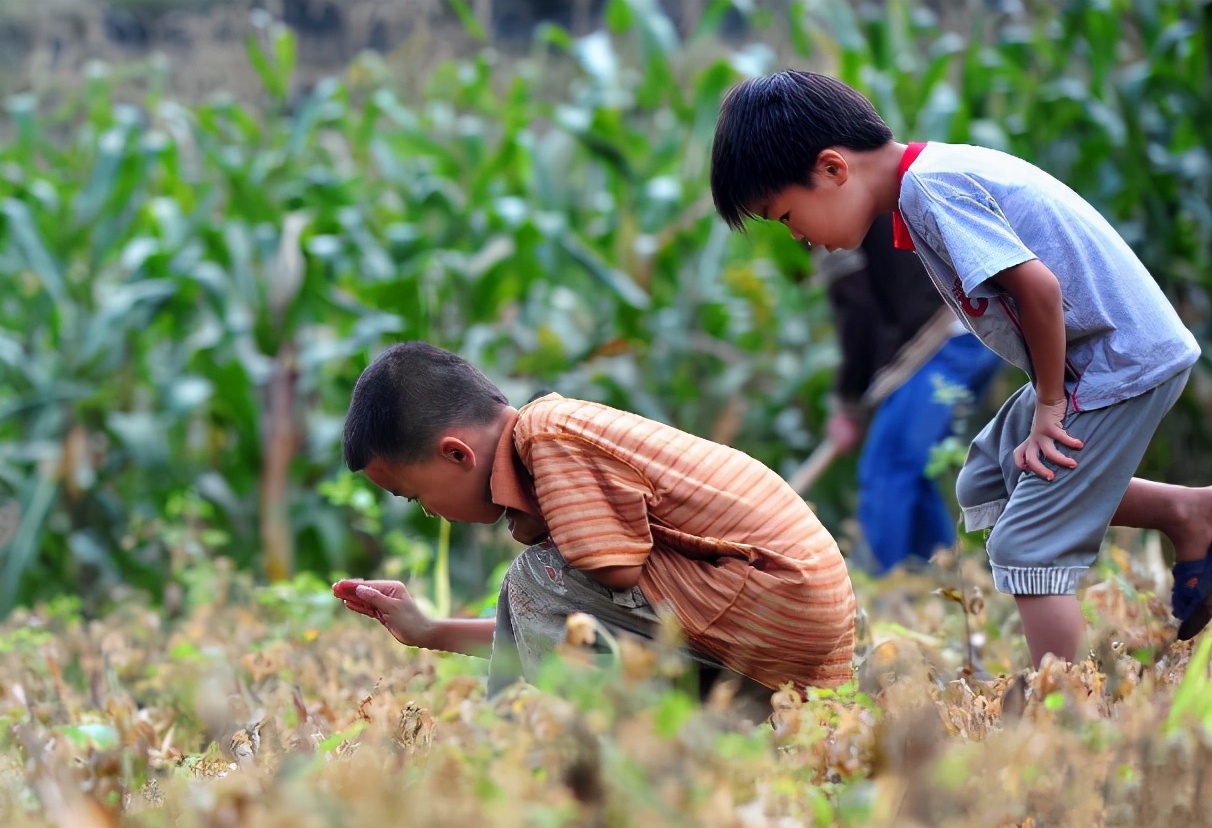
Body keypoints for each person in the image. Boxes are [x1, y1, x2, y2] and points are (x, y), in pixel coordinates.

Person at [709, 70, 1211, 668]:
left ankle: (1068, 709)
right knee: (988, 477)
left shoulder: (931, 188)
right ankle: (1188, 511)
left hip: (1116, 359)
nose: (798, 236)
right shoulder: (922, 183)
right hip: (1098, 355)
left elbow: (1040, 290)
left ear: (832, 169)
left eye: (787, 215)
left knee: (1028, 546)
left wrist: (1049, 404)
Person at [334, 341, 857, 697]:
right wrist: (428, 630)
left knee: (533, 577)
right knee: (538, 583)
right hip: (785, 615)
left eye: (415, 496)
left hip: (781, 601)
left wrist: (542, 540)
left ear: (457, 454)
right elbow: (575, 620)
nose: (429, 512)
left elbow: (609, 578)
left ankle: (581, 749)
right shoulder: (553, 440)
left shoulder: (548, 436)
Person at [819, 213, 1002, 574]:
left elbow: (857, 311)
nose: (795, 231)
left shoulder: (824, 216)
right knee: (914, 472)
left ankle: (873, 597)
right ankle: (945, 584)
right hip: (972, 334)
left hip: (943, 339)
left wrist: (849, 404)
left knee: (888, 468)